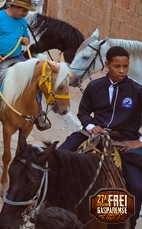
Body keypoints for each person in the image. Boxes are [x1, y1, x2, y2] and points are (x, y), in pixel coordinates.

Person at [57, 46, 142, 219]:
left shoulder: (137, 90)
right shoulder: (94, 86)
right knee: (58, 157)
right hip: (94, 134)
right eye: (117, 66)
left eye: (125, 66)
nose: (122, 70)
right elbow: (83, 112)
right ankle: (46, 203)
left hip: (125, 140)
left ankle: (130, 222)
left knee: (137, 186)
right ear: (107, 65)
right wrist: (90, 126)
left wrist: (140, 141)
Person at [0, 0, 48, 134]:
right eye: (24, 10)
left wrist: (26, 40)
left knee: (37, 78)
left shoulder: (22, 21)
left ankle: (39, 113)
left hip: (16, 56)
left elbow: (26, 37)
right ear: (16, 7)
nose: (25, 14)